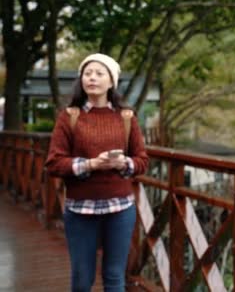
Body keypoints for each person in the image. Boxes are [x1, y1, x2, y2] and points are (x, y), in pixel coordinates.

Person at [45, 53, 149, 292]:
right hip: (81, 209)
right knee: (82, 279)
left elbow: (142, 161)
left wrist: (124, 163)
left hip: (120, 208)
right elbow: (54, 164)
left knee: (114, 278)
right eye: (87, 73)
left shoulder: (126, 117)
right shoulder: (69, 117)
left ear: (111, 81)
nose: (92, 78)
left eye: (99, 74)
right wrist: (91, 165)